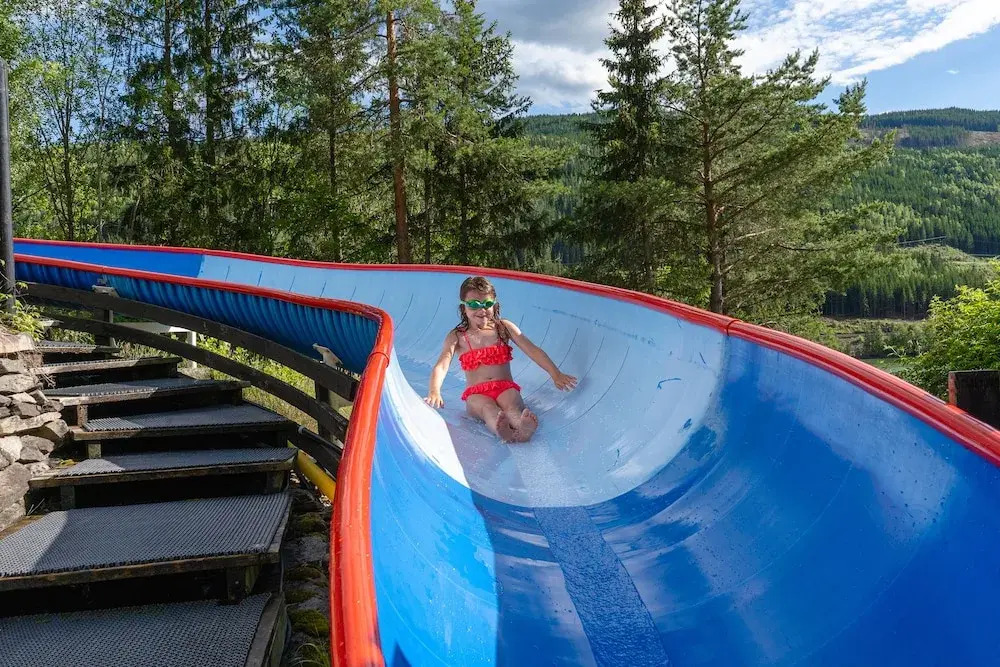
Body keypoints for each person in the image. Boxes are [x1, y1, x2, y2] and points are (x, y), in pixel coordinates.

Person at [424, 276, 577, 442]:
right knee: (488, 409)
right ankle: (501, 429)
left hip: (505, 387)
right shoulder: (457, 336)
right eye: (474, 304)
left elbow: (532, 350)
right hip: (476, 394)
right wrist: (434, 391)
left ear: (495, 305)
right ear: (464, 307)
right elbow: (442, 365)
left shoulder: (503, 328)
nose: (481, 310)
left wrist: (555, 374)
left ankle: (522, 428)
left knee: (511, 407)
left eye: (487, 304)